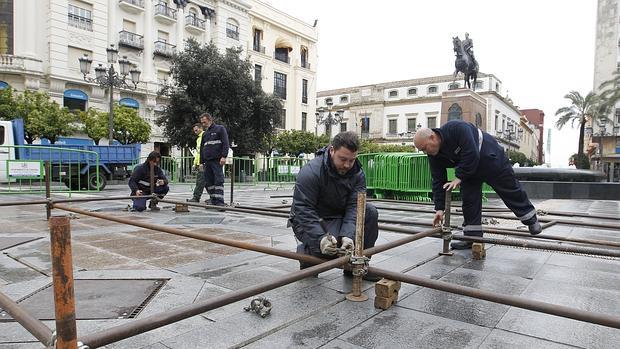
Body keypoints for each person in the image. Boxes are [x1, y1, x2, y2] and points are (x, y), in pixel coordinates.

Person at [413, 120, 542, 250]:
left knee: (509, 190)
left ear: (432, 137)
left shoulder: (457, 128)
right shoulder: (433, 155)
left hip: (490, 157)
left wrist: (459, 177)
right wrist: (439, 209)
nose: (425, 152)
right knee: (469, 201)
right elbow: (438, 180)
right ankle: (472, 237)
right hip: (469, 169)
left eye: (424, 148)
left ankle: (531, 219)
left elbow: (471, 152)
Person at [288, 131, 381, 281]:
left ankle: (358, 264)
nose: (347, 165)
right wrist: (320, 238)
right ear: (332, 150)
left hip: (338, 216)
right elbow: (303, 209)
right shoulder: (311, 171)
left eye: (351, 160)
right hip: (312, 219)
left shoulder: (357, 173)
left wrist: (348, 236)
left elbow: (354, 206)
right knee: (328, 247)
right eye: (343, 159)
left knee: (369, 211)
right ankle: (307, 255)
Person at [199, 112, 229, 207]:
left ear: (210, 120)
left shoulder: (220, 129)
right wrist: (201, 162)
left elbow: (225, 143)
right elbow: (201, 149)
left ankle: (220, 201)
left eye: (204, 122)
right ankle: (213, 200)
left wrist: (224, 156)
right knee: (209, 182)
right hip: (207, 161)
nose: (203, 125)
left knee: (218, 180)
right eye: (202, 123)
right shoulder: (205, 134)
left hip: (217, 160)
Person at [187, 123, 207, 203]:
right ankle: (213, 198)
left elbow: (204, 152)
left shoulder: (204, 136)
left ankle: (196, 197)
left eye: (196, 130)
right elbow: (198, 153)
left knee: (200, 180)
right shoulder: (198, 139)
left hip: (204, 163)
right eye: (194, 131)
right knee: (206, 181)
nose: (195, 132)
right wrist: (195, 163)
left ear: (201, 128)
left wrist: (202, 162)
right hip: (200, 163)